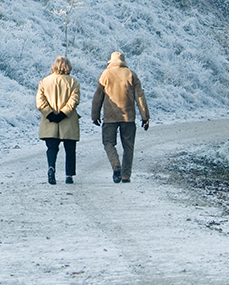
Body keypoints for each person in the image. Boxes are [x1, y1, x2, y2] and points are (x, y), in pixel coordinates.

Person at [91, 51, 150, 184]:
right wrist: (145, 117)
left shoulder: (105, 74)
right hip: (128, 117)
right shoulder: (131, 74)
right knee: (128, 146)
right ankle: (125, 175)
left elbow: (97, 96)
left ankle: (115, 163)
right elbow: (140, 97)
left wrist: (95, 115)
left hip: (110, 116)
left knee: (108, 142)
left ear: (111, 62)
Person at [36, 55, 81, 185]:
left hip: (49, 121)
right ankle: (69, 175)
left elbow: (40, 101)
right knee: (70, 149)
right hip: (68, 120)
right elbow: (74, 101)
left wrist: (49, 114)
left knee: (52, 148)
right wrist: (63, 113)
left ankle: (51, 168)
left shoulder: (44, 82)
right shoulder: (73, 82)